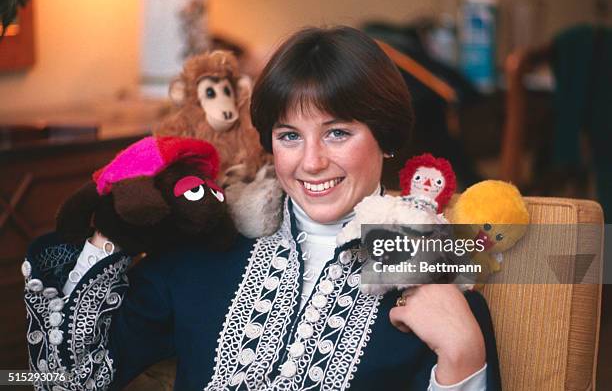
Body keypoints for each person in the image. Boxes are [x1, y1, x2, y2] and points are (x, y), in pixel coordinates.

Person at [22, 26, 501, 390]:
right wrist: (113, 230)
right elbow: (71, 379)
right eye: (290, 135)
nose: (312, 162)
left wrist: (464, 356)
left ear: (387, 137)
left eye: (338, 132)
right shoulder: (205, 246)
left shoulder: (435, 270)